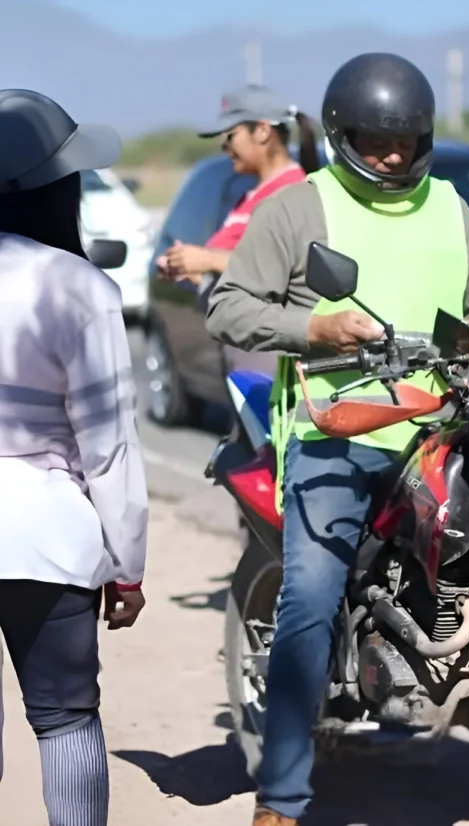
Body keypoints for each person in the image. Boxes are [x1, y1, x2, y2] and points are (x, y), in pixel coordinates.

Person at [205, 52, 469, 825]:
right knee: (310, 598)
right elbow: (229, 307)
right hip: (336, 430)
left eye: (406, 143)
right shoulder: (299, 209)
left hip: (442, 429)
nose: (394, 157)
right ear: (343, 137)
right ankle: (281, 795)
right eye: (379, 143)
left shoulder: (450, 206)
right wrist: (314, 328)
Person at [0, 89, 149, 826]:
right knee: (64, 720)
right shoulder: (81, 288)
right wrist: (127, 565)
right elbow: (108, 445)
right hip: (46, 537)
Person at [156, 84, 320, 290]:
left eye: (230, 136)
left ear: (262, 131)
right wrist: (189, 266)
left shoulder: (294, 192)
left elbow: (280, 270)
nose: (224, 146)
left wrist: (208, 260)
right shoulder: (250, 195)